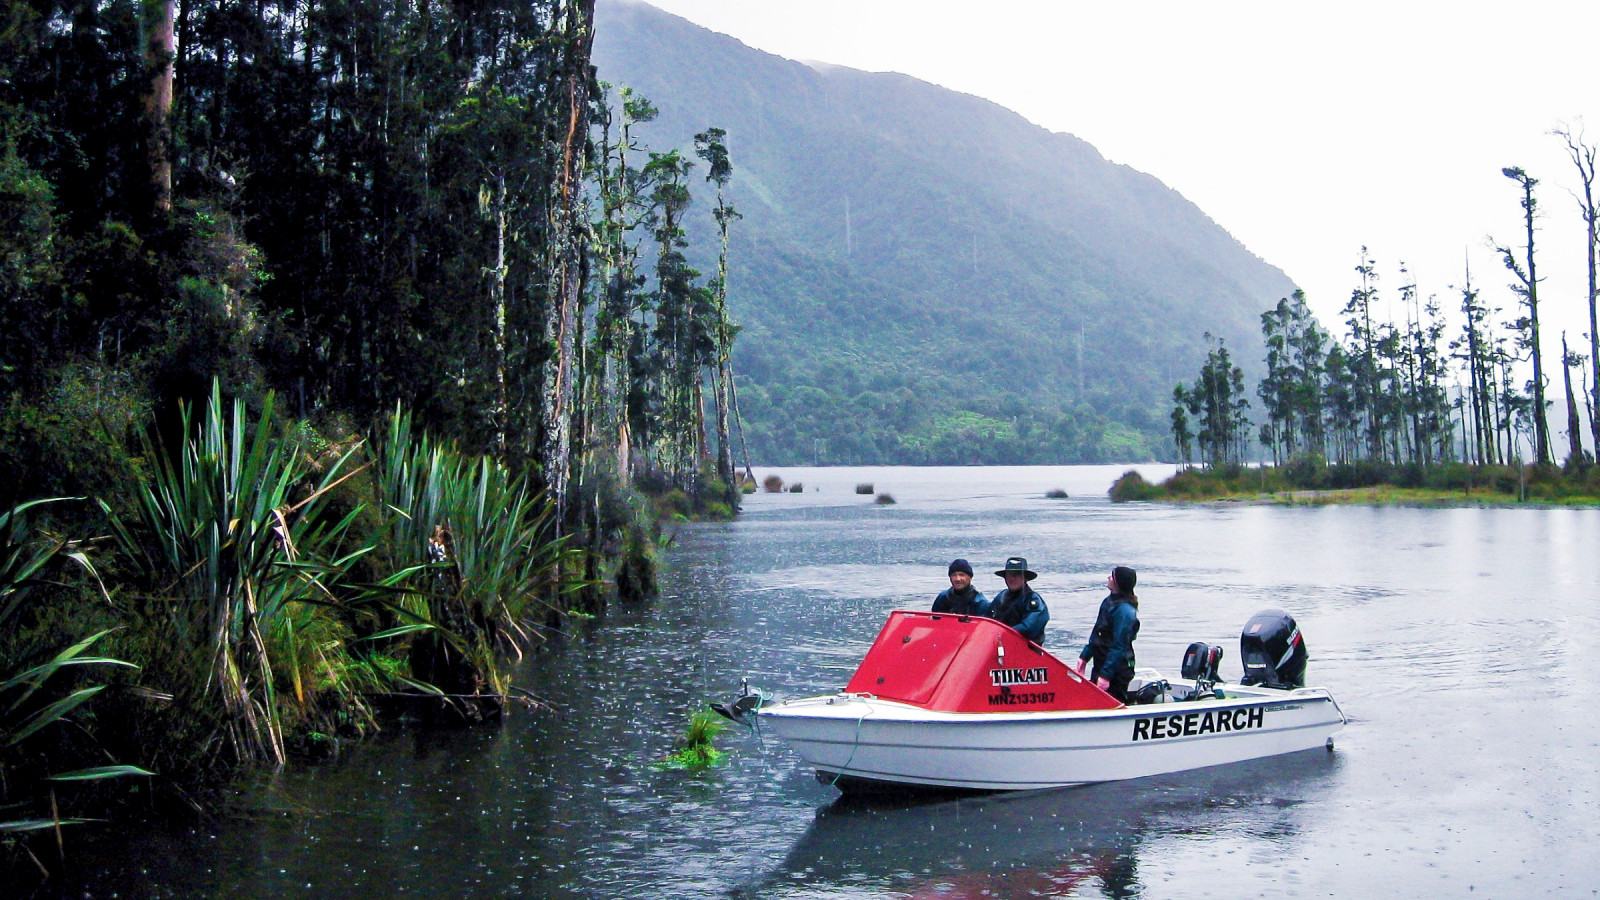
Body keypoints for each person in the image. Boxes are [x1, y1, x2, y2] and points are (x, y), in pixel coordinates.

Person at [1075, 566, 1141, 703]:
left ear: (1118, 582)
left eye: (1112, 576)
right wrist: (1084, 656)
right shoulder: (1109, 602)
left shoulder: (1125, 611)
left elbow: (1119, 645)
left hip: (1117, 669)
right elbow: (1097, 633)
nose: (1108, 578)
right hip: (1101, 662)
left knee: (1112, 701)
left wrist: (1106, 676)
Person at [987, 556, 1049, 644]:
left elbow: (1029, 628)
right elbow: (987, 619)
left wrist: (1002, 633)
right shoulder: (1001, 596)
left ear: (1025, 578)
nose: (1012, 578)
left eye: (1017, 575)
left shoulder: (1033, 600)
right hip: (1000, 646)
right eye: (1009, 575)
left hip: (1026, 651)